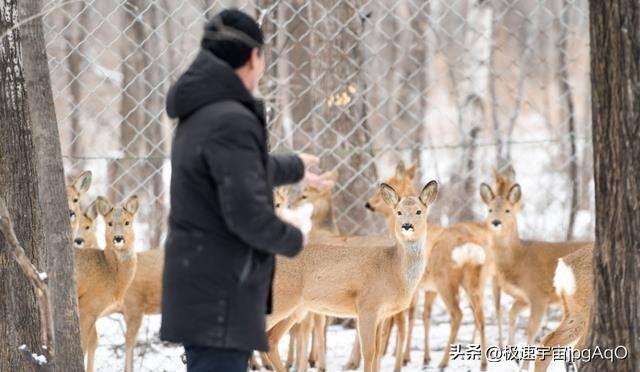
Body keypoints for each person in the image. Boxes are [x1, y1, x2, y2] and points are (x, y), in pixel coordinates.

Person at [160, 9, 330, 372]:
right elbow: (247, 215)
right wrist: (295, 236)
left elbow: (235, 170)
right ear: (254, 57)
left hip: (203, 289)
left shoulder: (203, 112)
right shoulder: (230, 120)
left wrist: (294, 166)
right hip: (222, 297)